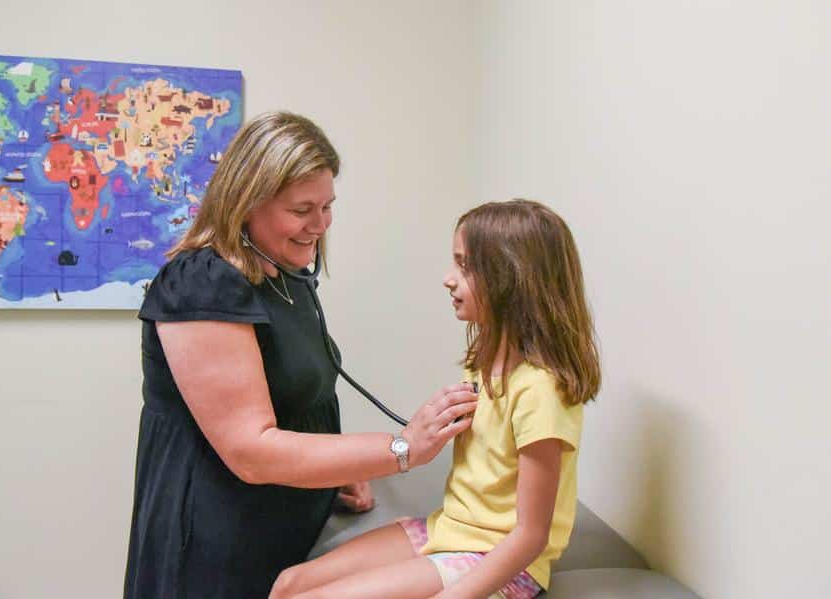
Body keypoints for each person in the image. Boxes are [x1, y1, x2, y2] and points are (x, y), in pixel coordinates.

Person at [123, 111, 478, 599]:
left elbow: (292, 399)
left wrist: (334, 475)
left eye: (328, 205)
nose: (319, 224)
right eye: (301, 209)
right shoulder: (202, 285)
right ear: (246, 202)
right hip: (216, 544)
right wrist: (400, 448)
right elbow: (251, 450)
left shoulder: (285, 273)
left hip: (288, 528)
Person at [270, 199, 601, 599]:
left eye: (464, 266)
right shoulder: (484, 361)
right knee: (290, 584)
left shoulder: (541, 390)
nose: (448, 278)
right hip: (446, 529)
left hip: (500, 560)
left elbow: (531, 536)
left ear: (510, 278)